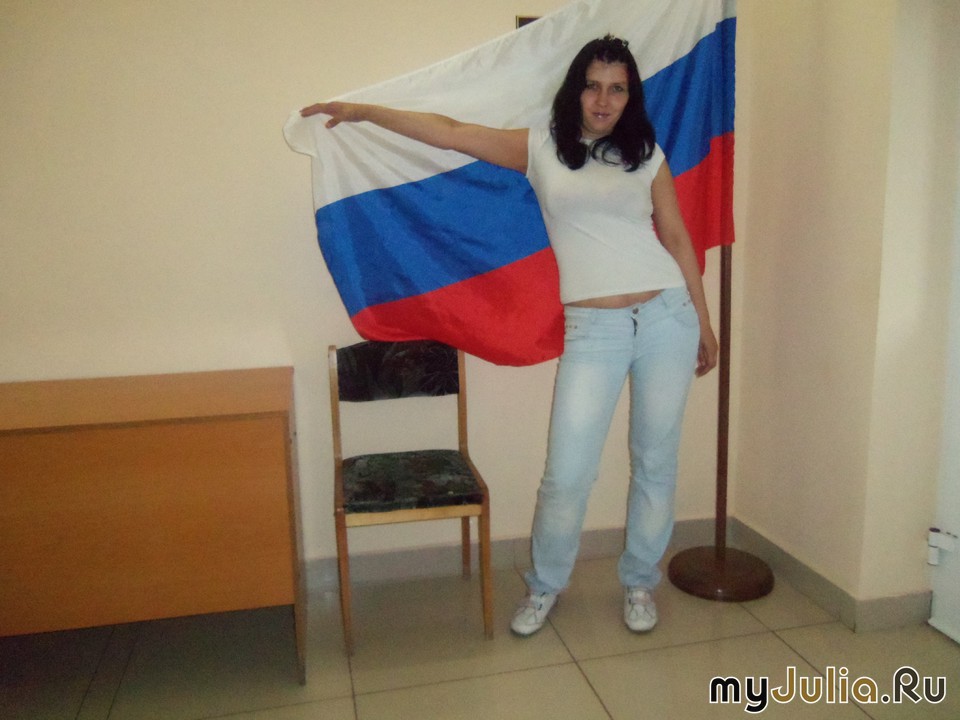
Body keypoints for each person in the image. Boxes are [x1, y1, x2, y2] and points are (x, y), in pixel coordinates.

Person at [301, 34, 718, 637]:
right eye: (593, 86)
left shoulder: (645, 154)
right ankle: (545, 585)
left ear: (631, 97)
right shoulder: (541, 146)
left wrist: (703, 319)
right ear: (575, 89)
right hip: (594, 330)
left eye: (617, 89)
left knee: (655, 461)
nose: (603, 100)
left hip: (667, 317)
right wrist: (364, 112)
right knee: (567, 474)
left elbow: (676, 236)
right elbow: (450, 132)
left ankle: (638, 582)